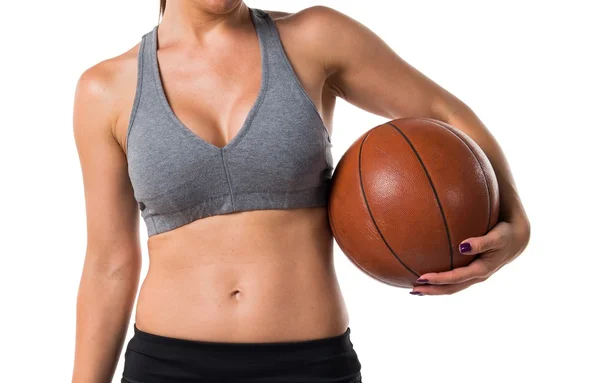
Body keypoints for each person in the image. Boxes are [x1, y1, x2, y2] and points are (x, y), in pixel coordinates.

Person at [71, 1, 531, 382]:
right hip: (165, 367)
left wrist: (517, 222)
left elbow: (442, 111)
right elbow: (109, 264)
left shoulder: (314, 38)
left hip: (312, 366)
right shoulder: (106, 88)